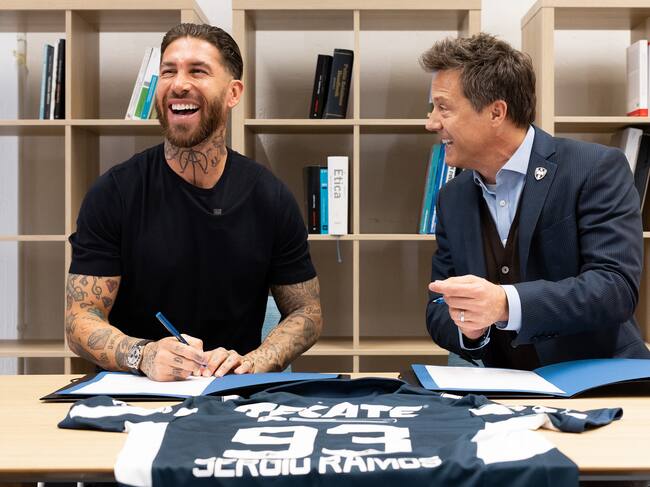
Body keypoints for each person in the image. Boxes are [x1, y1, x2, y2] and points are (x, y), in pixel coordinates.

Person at [65, 23, 322, 381]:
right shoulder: (114, 193)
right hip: (134, 394)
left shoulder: (270, 197)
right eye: (168, 71)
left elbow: (306, 313)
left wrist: (254, 362)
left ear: (233, 93)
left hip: (232, 393)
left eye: (197, 71)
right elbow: (80, 318)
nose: (178, 84)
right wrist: (144, 355)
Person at [422, 33, 650, 369]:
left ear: (496, 112)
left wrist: (505, 303)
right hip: (503, 385)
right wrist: (470, 330)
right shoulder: (452, 197)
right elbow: (438, 307)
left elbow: (615, 288)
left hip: (599, 380)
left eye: (443, 107)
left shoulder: (595, 169)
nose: (431, 123)